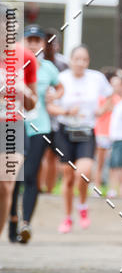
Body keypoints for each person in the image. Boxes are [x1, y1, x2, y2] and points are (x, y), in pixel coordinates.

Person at [48, 45, 112, 233]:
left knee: (82, 173)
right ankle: (68, 217)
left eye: (84, 60)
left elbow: (110, 96)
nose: (81, 63)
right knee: (68, 176)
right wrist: (67, 111)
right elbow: (50, 106)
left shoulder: (96, 78)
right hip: (64, 131)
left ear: (88, 61)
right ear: (71, 60)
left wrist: (102, 110)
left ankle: (82, 206)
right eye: (77, 59)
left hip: (85, 132)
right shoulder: (61, 79)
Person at [11, 26, 62, 244]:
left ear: (43, 44)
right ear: (22, 41)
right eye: (29, 40)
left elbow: (60, 88)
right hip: (13, 125)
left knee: (30, 175)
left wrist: (53, 97)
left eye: (37, 41)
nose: (33, 44)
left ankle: (26, 223)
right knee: (12, 178)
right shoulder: (12, 63)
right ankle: (12, 220)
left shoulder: (49, 68)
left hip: (39, 128)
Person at [1, 5, 37, 242]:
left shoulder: (25, 57)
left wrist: (23, 93)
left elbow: (33, 103)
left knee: (6, 186)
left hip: (12, 127)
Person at [38, 29, 68, 194]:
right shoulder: (36, 62)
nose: (50, 46)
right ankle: (37, 187)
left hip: (57, 119)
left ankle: (49, 189)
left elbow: (65, 88)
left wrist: (55, 97)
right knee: (39, 154)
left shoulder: (64, 64)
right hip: (38, 116)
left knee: (53, 156)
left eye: (53, 43)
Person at [94, 68, 122, 188]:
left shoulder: (120, 98)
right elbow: (100, 111)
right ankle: (96, 186)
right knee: (99, 162)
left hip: (114, 134)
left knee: (113, 164)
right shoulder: (103, 97)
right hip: (102, 132)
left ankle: (112, 189)